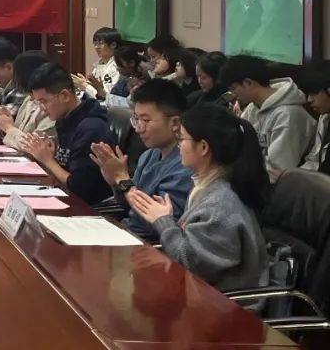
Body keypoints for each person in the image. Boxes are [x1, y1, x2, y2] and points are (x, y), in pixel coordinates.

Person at [127, 103, 269, 292]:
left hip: (221, 302)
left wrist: (163, 221)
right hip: (200, 292)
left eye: (181, 139)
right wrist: (167, 218)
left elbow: (191, 264)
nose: (178, 145)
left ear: (203, 147)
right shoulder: (211, 186)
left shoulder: (219, 204)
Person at [89, 79, 193, 240]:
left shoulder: (186, 165)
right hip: (126, 231)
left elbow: (160, 225)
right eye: (136, 119)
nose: (138, 128)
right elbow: (127, 207)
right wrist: (115, 183)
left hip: (148, 244)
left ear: (174, 122)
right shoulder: (149, 155)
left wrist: (123, 180)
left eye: (145, 120)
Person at [20, 62, 116, 204]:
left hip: (90, 207)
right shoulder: (66, 118)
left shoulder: (90, 129)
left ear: (64, 95)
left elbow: (79, 187)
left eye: (44, 101)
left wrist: (48, 160)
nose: (42, 108)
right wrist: (50, 155)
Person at [219, 54, 315, 179]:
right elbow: (238, 145)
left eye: (234, 88)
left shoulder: (288, 114)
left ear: (248, 83)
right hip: (256, 177)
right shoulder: (253, 107)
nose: (233, 94)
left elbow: (279, 169)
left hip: (280, 184)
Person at [0, 51, 55, 150]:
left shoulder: (52, 105)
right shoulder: (28, 100)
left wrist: (8, 127)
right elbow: (16, 132)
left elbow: (35, 148)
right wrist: (5, 123)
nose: (31, 98)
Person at [296, 60, 330, 174]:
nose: (309, 100)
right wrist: (292, 176)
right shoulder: (324, 118)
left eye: (314, 93)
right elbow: (314, 160)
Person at [80, 27, 121, 101]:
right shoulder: (100, 62)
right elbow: (95, 86)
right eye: (95, 44)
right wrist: (85, 83)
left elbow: (107, 94)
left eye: (101, 43)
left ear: (113, 45)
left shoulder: (117, 66)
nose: (96, 47)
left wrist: (85, 86)